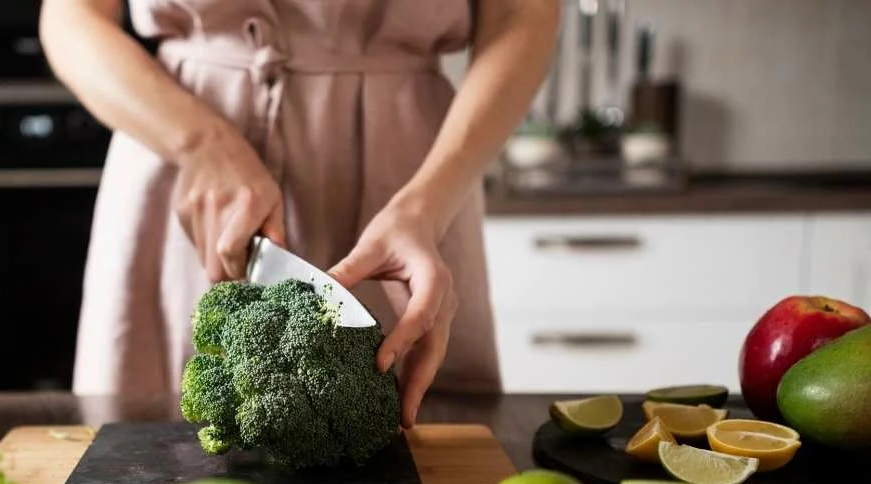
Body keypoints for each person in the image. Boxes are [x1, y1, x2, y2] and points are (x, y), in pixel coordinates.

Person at [41, 0, 559, 428]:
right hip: (178, 150)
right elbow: (70, 18)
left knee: (428, 447)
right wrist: (200, 144)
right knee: (140, 453)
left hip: (414, 173)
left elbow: (522, 16)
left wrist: (427, 205)